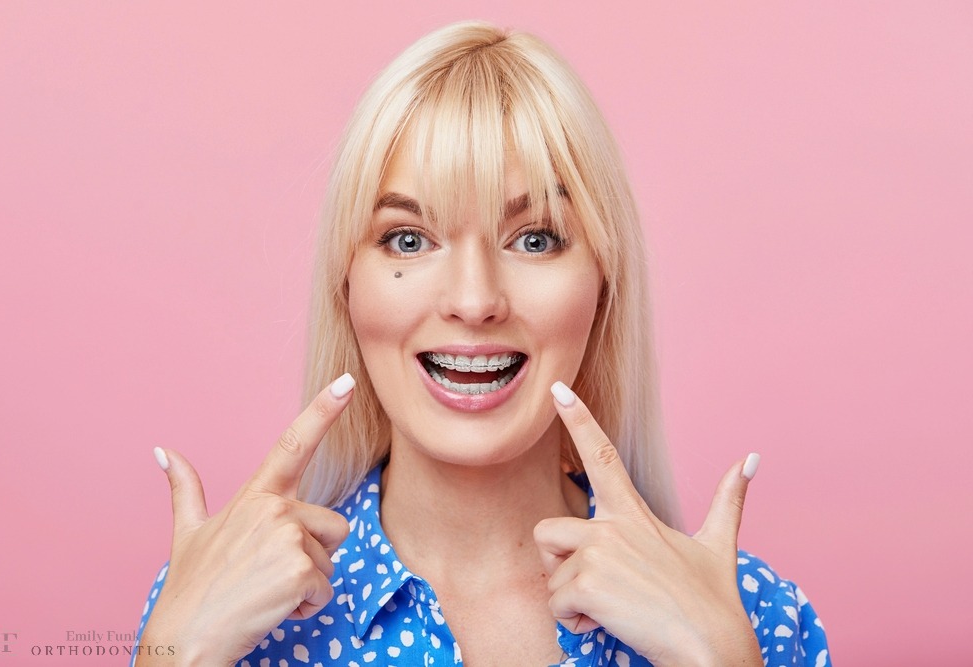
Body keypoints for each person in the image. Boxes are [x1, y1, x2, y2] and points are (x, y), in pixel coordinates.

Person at [133, 21, 830, 667]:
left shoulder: (750, 616)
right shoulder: (224, 605)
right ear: (347, 287)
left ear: (603, 287)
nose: (473, 301)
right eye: (409, 239)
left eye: (535, 239)